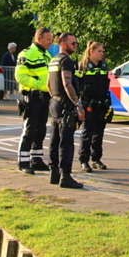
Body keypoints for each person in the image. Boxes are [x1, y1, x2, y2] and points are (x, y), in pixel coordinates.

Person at [46, 33, 85, 189]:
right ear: (63, 43)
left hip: (55, 102)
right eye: (73, 43)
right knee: (66, 142)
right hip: (65, 105)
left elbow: (49, 84)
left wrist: (55, 98)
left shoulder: (53, 60)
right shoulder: (66, 61)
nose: (75, 45)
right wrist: (77, 104)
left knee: (55, 139)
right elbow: (67, 83)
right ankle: (66, 176)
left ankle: (54, 173)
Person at [14, 28, 53, 174]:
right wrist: (40, 86)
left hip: (44, 96)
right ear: (39, 39)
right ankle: (23, 162)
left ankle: (36, 159)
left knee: (41, 128)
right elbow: (20, 77)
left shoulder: (46, 54)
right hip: (32, 96)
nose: (50, 42)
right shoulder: (26, 54)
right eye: (48, 39)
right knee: (30, 129)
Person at [76, 41, 111, 172]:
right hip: (88, 103)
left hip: (101, 103)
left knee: (99, 133)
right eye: (99, 51)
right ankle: (83, 160)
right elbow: (77, 84)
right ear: (91, 52)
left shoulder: (103, 65)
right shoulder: (83, 65)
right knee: (87, 133)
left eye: (102, 51)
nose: (102, 54)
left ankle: (96, 159)